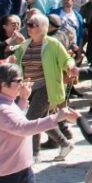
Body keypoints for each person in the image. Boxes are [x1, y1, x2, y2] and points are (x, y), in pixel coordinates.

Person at [12, 13, 76, 162]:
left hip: (46, 87)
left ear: (42, 28)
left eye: (32, 25)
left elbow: (66, 59)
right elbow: (15, 61)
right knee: (41, 120)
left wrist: (70, 66)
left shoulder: (53, 44)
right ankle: (65, 144)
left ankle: (33, 153)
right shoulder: (24, 45)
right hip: (27, 89)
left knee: (31, 120)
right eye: (27, 24)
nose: (28, 27)